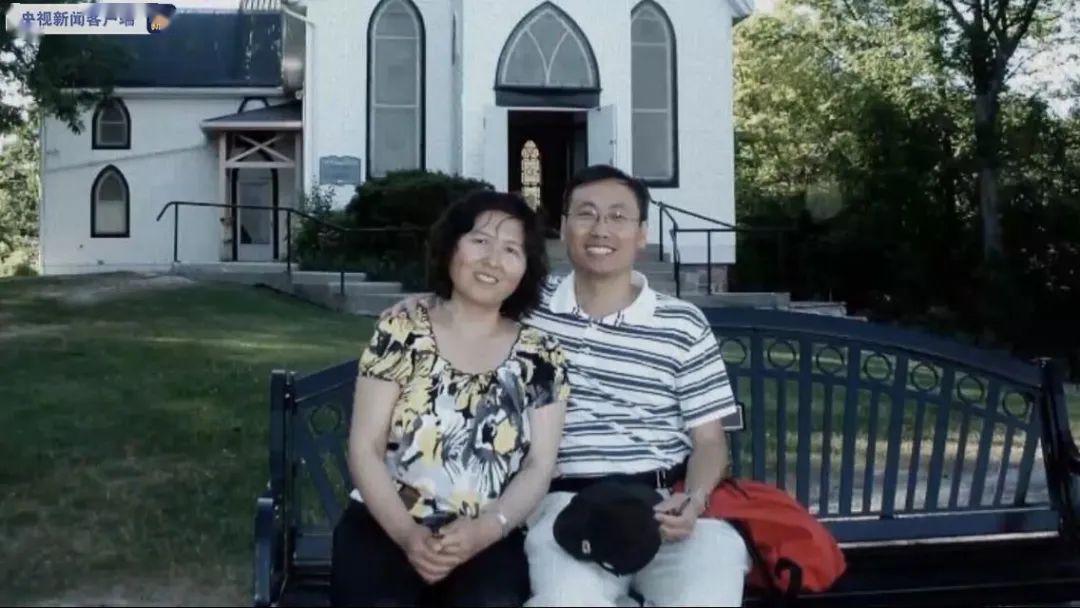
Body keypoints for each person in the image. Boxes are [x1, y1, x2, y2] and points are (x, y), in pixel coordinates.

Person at [387, 165, 750, 606]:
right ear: (563, 228)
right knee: (568, 600)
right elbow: (466, 303)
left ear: (642, 234)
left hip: (664, 505)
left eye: (618, 216)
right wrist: (427, 303)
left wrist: (694, 499)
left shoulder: (683, 324)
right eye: (586, 214)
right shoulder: (526, 307)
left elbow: (709, 440)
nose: (601, 229)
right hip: (564, 504)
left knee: (708, 588)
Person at [332, 191, 569, 607]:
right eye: (480, 241)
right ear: (451, 247)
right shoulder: (402, 331)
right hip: (386, 523)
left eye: (511, 250)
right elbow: (365, 447)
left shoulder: (542, 355)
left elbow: (540, 464)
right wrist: (408, 535)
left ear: (525, 268)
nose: (493, 260)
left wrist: (487, 529)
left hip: (488, 535)